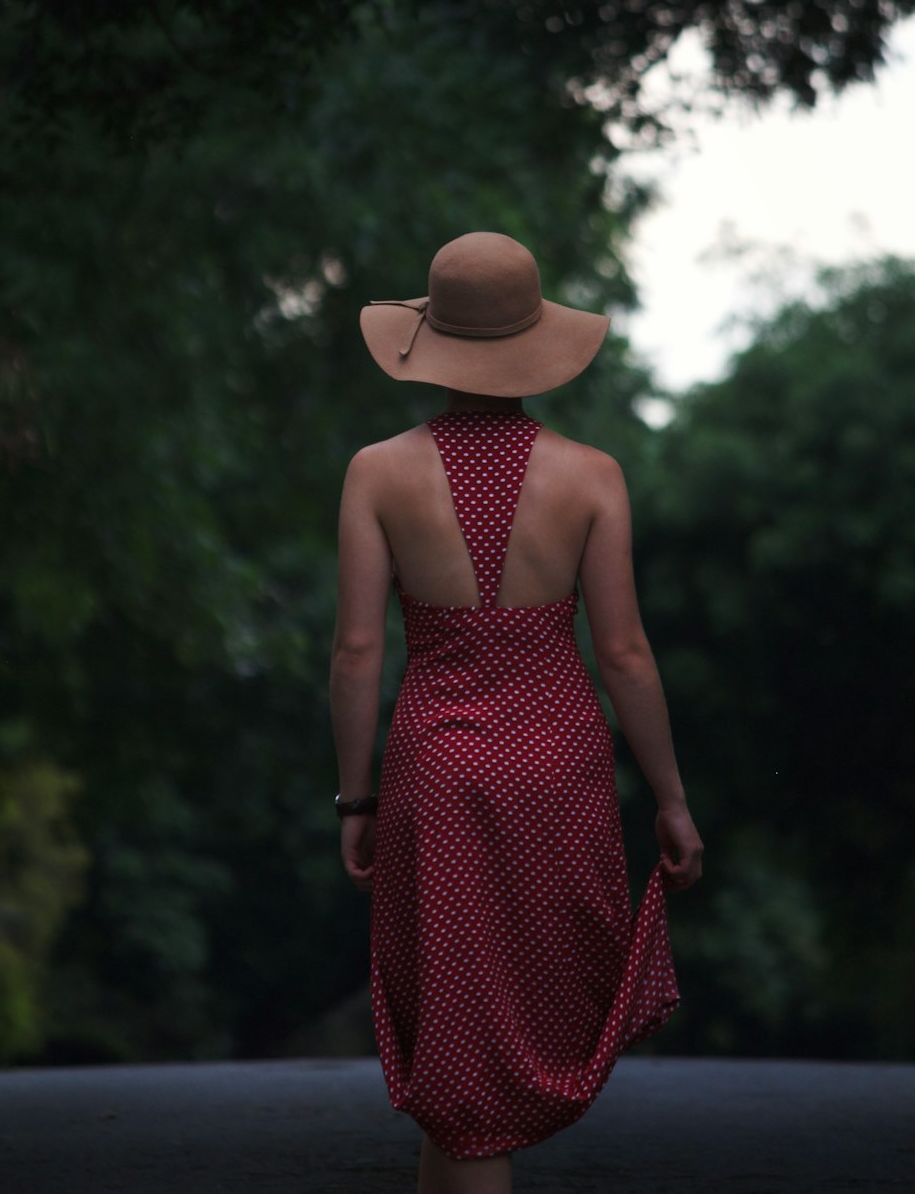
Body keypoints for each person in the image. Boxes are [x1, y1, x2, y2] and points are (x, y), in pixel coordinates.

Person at [329, 231, 704, 1194]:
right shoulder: (592, 476)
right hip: (557, 773)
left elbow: (358, 651)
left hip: (437, 776)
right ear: (536, 340)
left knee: (460, 1060)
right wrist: (671, 798)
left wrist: (355, 799)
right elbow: (622, 652)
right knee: (477, 1068)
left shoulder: (377, 472)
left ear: (434, 340)